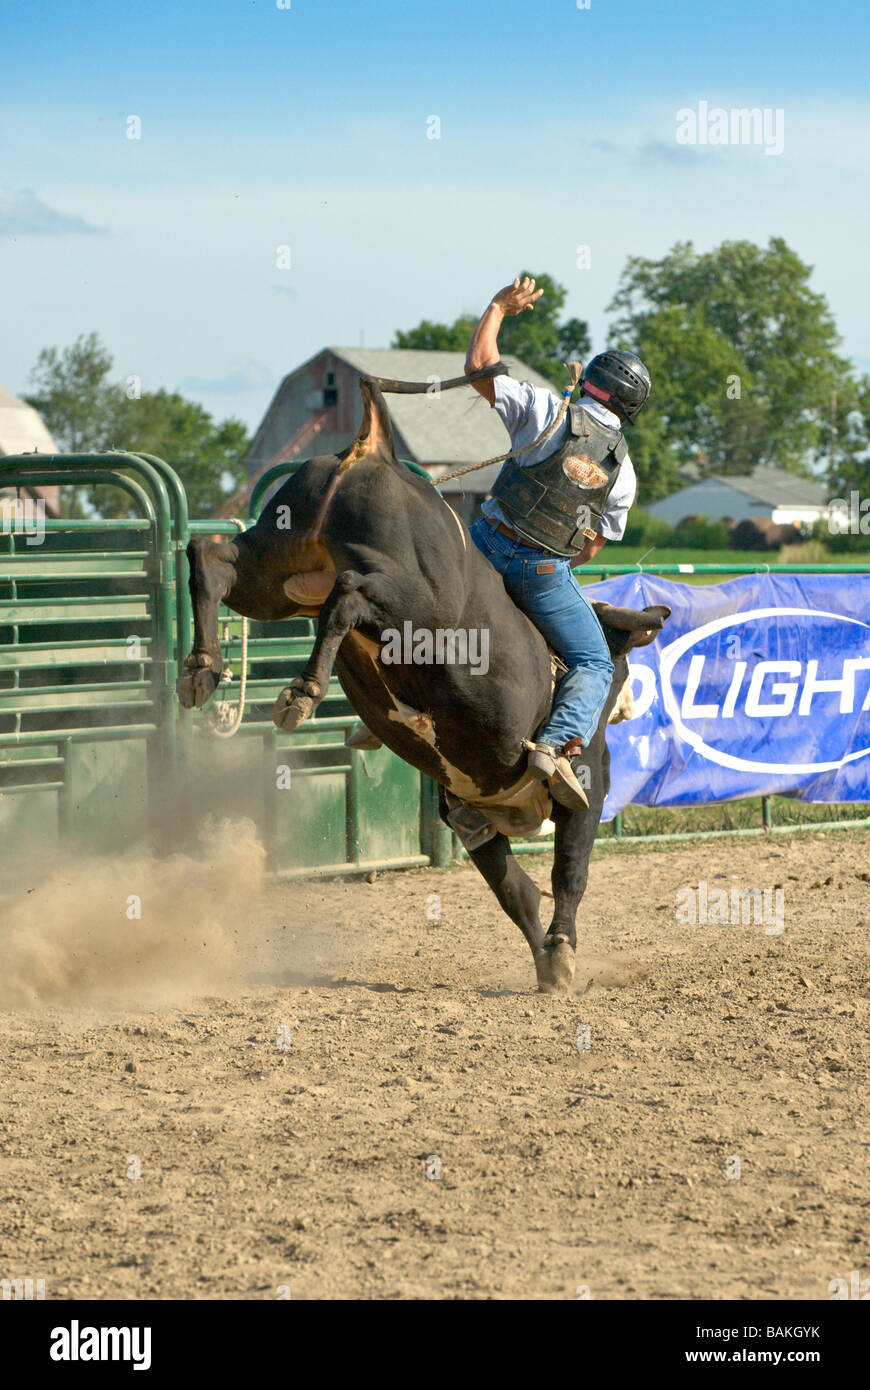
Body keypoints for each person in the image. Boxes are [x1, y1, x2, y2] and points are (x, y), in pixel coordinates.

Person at [465, 275, 650, 812]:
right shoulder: (624, 470)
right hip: (540, 574)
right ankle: (553, 746)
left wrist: (499, 306)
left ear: (588, 379)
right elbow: (589, 547)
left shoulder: (547, 411)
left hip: (480, 546)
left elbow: (480, 367)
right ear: (630, 407)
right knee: (593, 661)